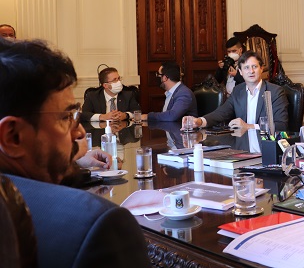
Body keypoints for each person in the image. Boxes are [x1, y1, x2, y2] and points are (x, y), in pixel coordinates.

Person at [0, 38, 151, 267]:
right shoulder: (100, 226)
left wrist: (75, 161)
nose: (79, 131)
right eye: (65, 117)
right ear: (13, 136)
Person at [185, 51, 288, 131]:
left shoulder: (275, 92)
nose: (251, 71)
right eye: (246, 68)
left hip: (266, 145)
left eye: (255, 67)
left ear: (261, 69)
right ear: (240, 72)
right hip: (242, 145)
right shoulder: (238, 90)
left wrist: (248, 126)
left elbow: (281, 125)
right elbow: (221, 113)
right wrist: (199, 121)